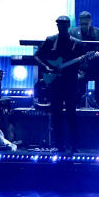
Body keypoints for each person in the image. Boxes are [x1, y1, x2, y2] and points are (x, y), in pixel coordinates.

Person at [34, 15, 87, 153]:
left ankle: (75, 146)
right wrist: (46, 67)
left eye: (64, 24)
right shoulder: (51, 40)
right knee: (56, 115)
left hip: (70, 82)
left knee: (71, 114)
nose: (61, 26)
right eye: (59, 24)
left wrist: (81, 64)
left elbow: (83, 62)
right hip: (55, 83)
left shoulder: (76, 43)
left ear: (68, 25)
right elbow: (37, 55)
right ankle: (59, 146)